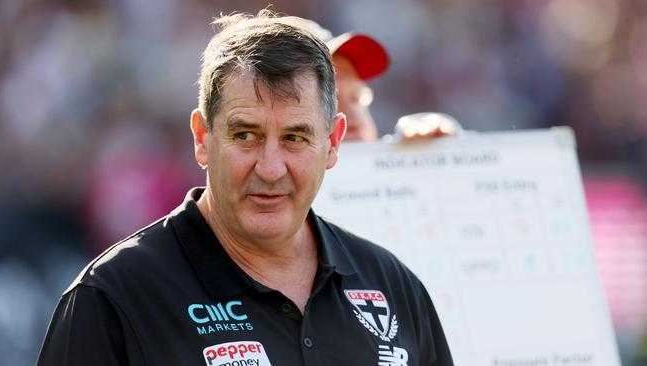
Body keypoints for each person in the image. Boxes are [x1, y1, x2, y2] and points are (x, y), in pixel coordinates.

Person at [38, 10, 453, 366]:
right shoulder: (114, 297)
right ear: (202, 137)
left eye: (294, 138)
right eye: (246, 135)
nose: (271, 169)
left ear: (332, 143)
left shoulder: (395, 284)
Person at [310, 22, 460, 142]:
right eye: (330, 100)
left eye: (357, 98)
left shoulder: (398, 165)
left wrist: (440, 143)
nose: (354, 119)